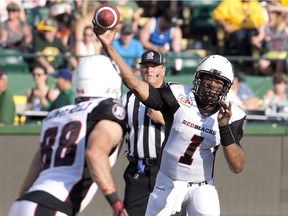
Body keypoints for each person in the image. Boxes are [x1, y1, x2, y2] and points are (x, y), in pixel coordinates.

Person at [94, 26, 246, 215]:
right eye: (208, 80)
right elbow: (134, 84)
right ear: (198, 78)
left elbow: (237, 166)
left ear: (226, 87)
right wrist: (109, 46)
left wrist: (224, 128)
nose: (211, 87)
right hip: (168, 180)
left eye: (218, 83)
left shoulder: (231, 114)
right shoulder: (177, 95)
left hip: (202, 186)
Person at [8, 55, 128, 216]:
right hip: (52, 207)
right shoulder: (106, 111)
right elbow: (94, 154)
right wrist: (115, 202)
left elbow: (26, 185)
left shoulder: (58, 115)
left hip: (23, 204)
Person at [122, 50, 165, 215]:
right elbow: (121, 132)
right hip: (137, 170)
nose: (149, 70)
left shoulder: (174, 96)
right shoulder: (128, 98)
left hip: (165, 171)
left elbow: (186, 132)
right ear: (140, 70)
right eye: (146, 66)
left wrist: (162, 120)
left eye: (154, 66)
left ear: (162, 70)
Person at [139, 9, 183, 75]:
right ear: (163, 19)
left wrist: (170, 51)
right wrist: (157, 49)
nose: (169, 26)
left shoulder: (175, 29)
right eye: (168, 23)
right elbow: (143, 41)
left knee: (178, 60)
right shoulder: (151, 23)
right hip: (149, 52)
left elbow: (176, 48)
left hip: (166, 54)